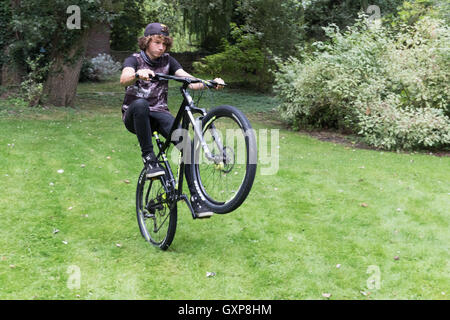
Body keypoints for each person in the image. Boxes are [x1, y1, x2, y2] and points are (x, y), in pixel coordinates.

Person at [120, 23, 224, 217]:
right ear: (146, 41)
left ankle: (196, 198)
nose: (162, 47)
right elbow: (124, 78)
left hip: (160, 114)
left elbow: (189, 80)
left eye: (165, 44)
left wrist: (209, 83)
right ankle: (149, 159)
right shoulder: (134, 60)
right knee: (141, 104)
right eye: (157, 42)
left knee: (187, 145)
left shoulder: (168, 61)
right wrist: (137, 74)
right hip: (135, 116)